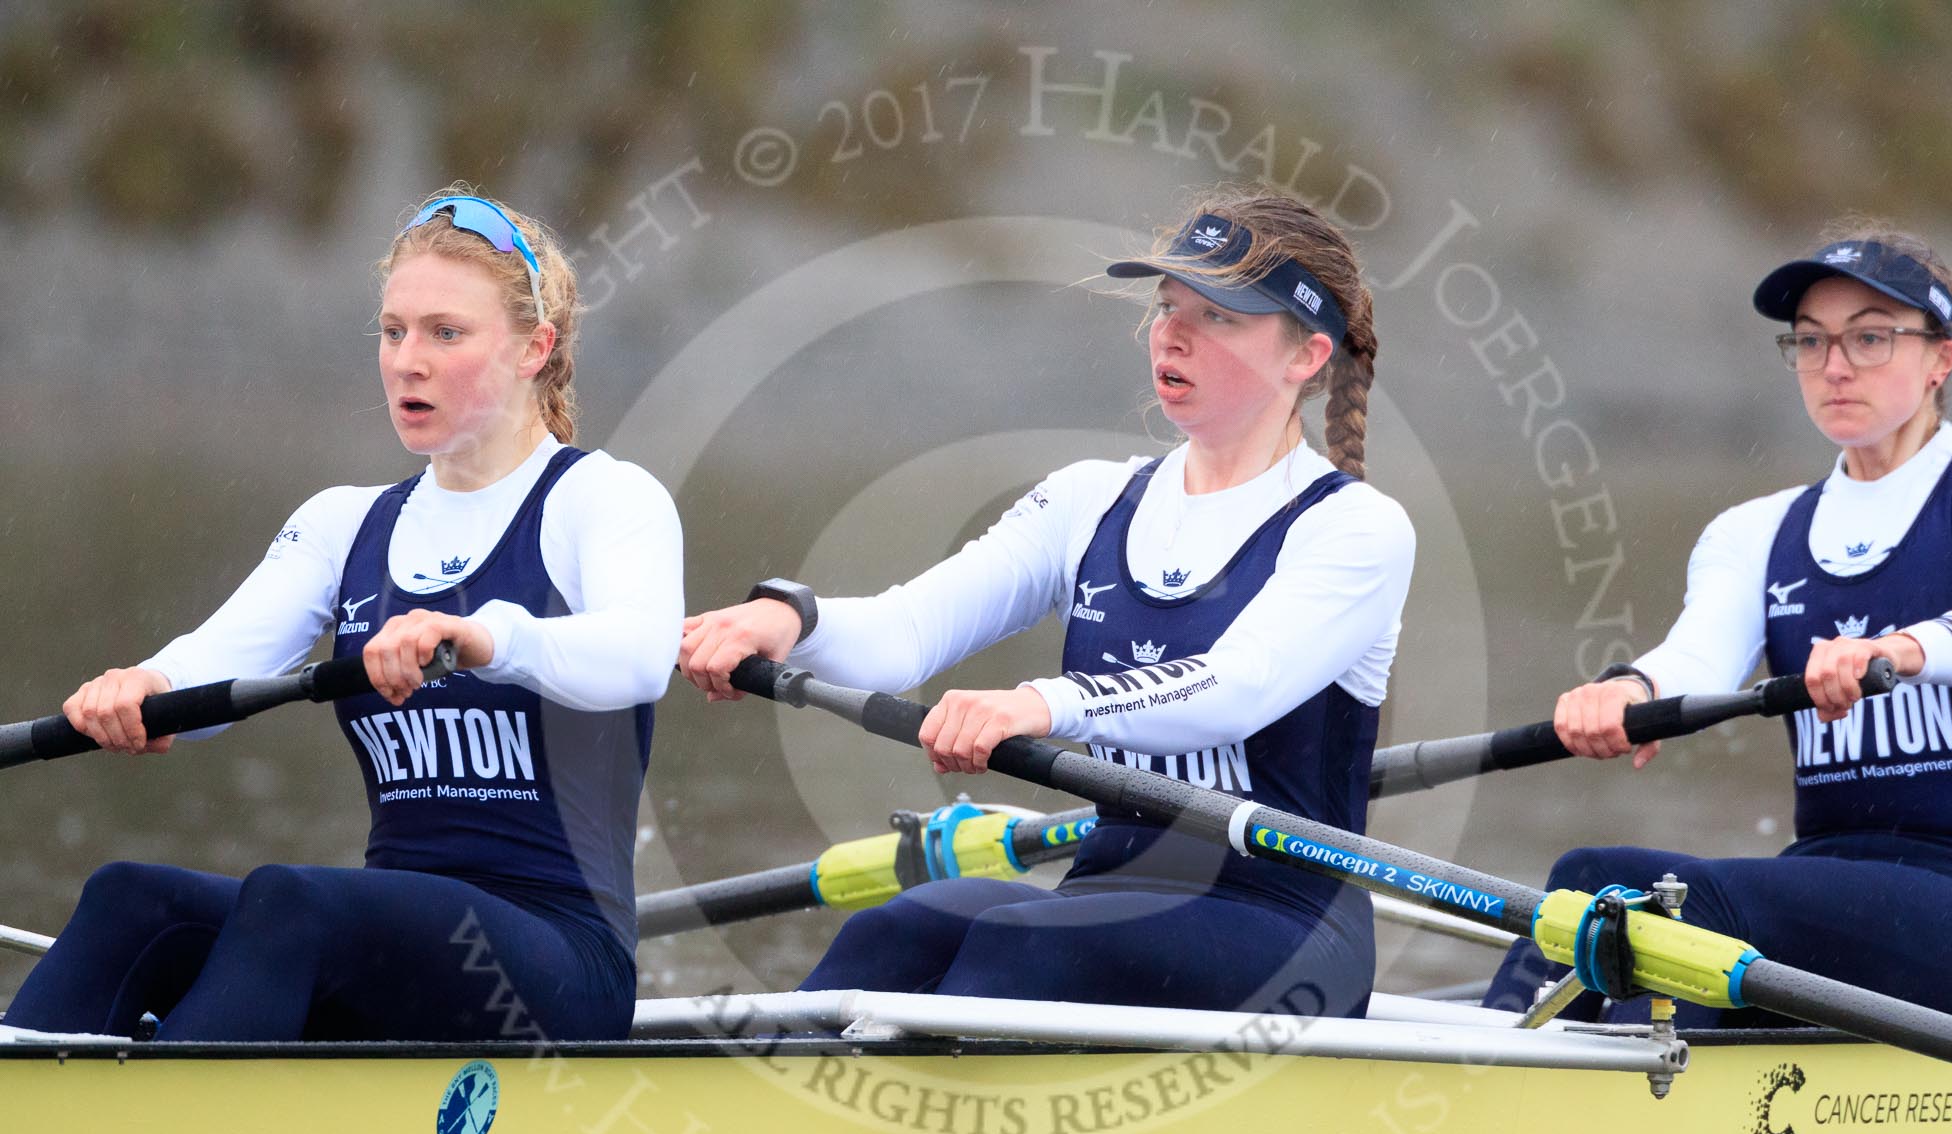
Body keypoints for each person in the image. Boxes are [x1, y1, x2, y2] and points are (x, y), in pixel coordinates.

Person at [681, 190, 1414, 1018]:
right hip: (1108, 889)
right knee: (897, 929)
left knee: (1020, 941)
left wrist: (1042, 704)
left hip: (1283, 924)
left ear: (1305, 356)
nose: (1173, 333)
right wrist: (791, 618)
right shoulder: (1087, 501)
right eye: (1169, 305)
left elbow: (1235, 688)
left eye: (1219, 316)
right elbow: (906, 633)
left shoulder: (1356, 528)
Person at [1, 186, 682, 1042]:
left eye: (446, 333)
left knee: (293, 900)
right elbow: (223, 656)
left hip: (560, 961)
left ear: (533, 350)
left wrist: (484, 637)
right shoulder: (345, 522)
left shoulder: (605, 499)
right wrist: (148, 684)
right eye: (394, 331)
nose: (407, 360)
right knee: (131, 896)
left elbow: (639, 655)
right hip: (389, 942)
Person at [1483, 222, 1952, 1027]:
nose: (1835, 366)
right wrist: (1628, 689)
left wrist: (1901, 650)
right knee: (1587, 891)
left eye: (1870, 338)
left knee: (1639, 892)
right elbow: (1696, 656)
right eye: (1811, 342)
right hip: (1825, 888)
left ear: (1942, 357)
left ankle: (1495, 1088)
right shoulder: (1756, 530)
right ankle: (1515, 1068)